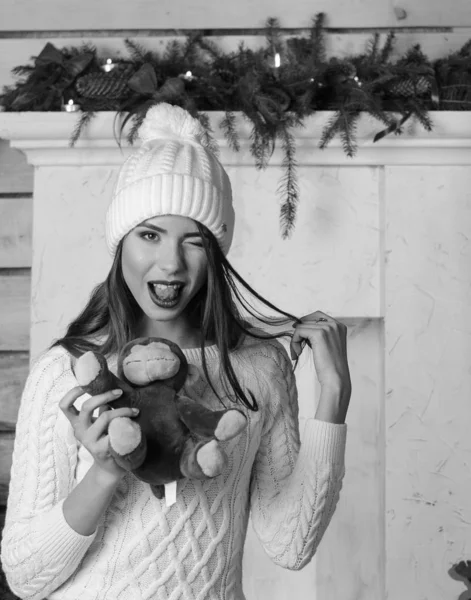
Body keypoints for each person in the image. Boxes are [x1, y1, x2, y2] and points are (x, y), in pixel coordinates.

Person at [0, 103, 351, 600]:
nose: (171, 263)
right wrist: (103, 472)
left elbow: (289, 545)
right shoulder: (66, 373)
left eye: (194, 242)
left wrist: (334, 395)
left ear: (216, 254)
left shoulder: (258, 367)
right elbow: (26, 577)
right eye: (149, 235)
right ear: (121, 243)